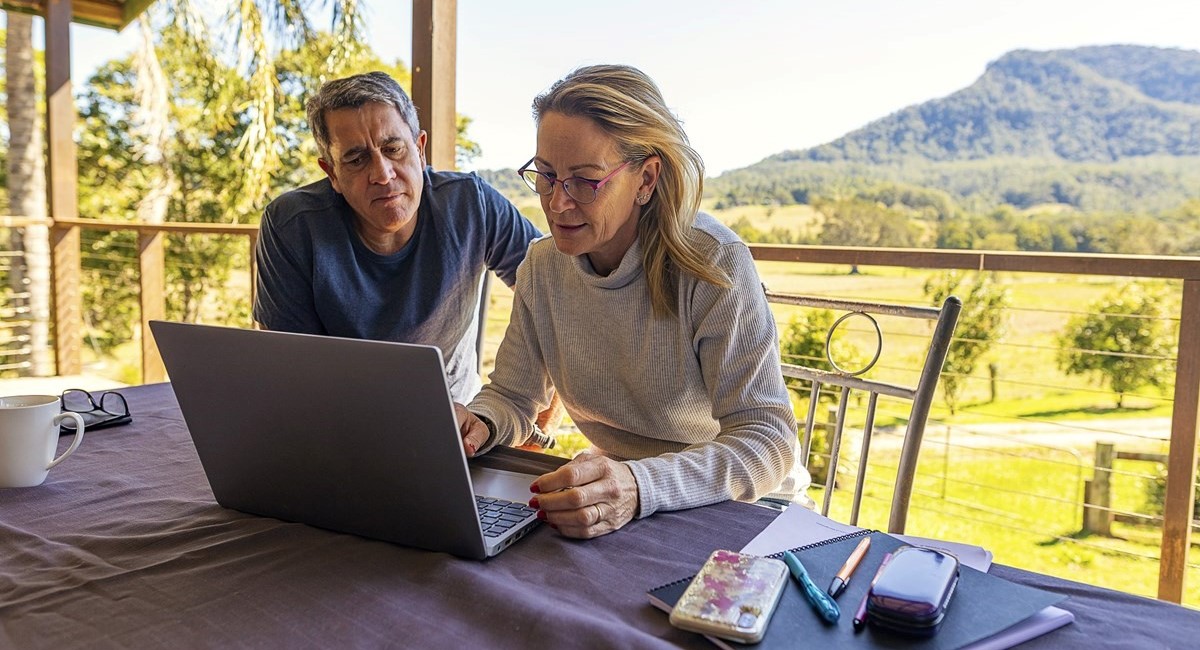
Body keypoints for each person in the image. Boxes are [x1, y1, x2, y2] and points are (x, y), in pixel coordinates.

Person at [457, 64, 808, 539]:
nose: (557, 203)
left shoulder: (712, 263)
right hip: (623, 500)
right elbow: (515, 397)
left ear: (646, 179)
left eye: (585, 181)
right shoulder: (542, 267)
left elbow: (767, 442)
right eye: (546, 175)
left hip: (745, 509)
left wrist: (640, 484)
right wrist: (479, 421)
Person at [253, 71, 544, 407]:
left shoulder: (471, 204)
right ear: (332, 173)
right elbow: (289, 371)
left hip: (457, 422)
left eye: (393, 149)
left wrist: (530, 420)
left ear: (420, 150)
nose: (382, 174)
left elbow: (557, 299)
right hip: (336, 420)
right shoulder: (291, 225)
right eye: (356, 159)